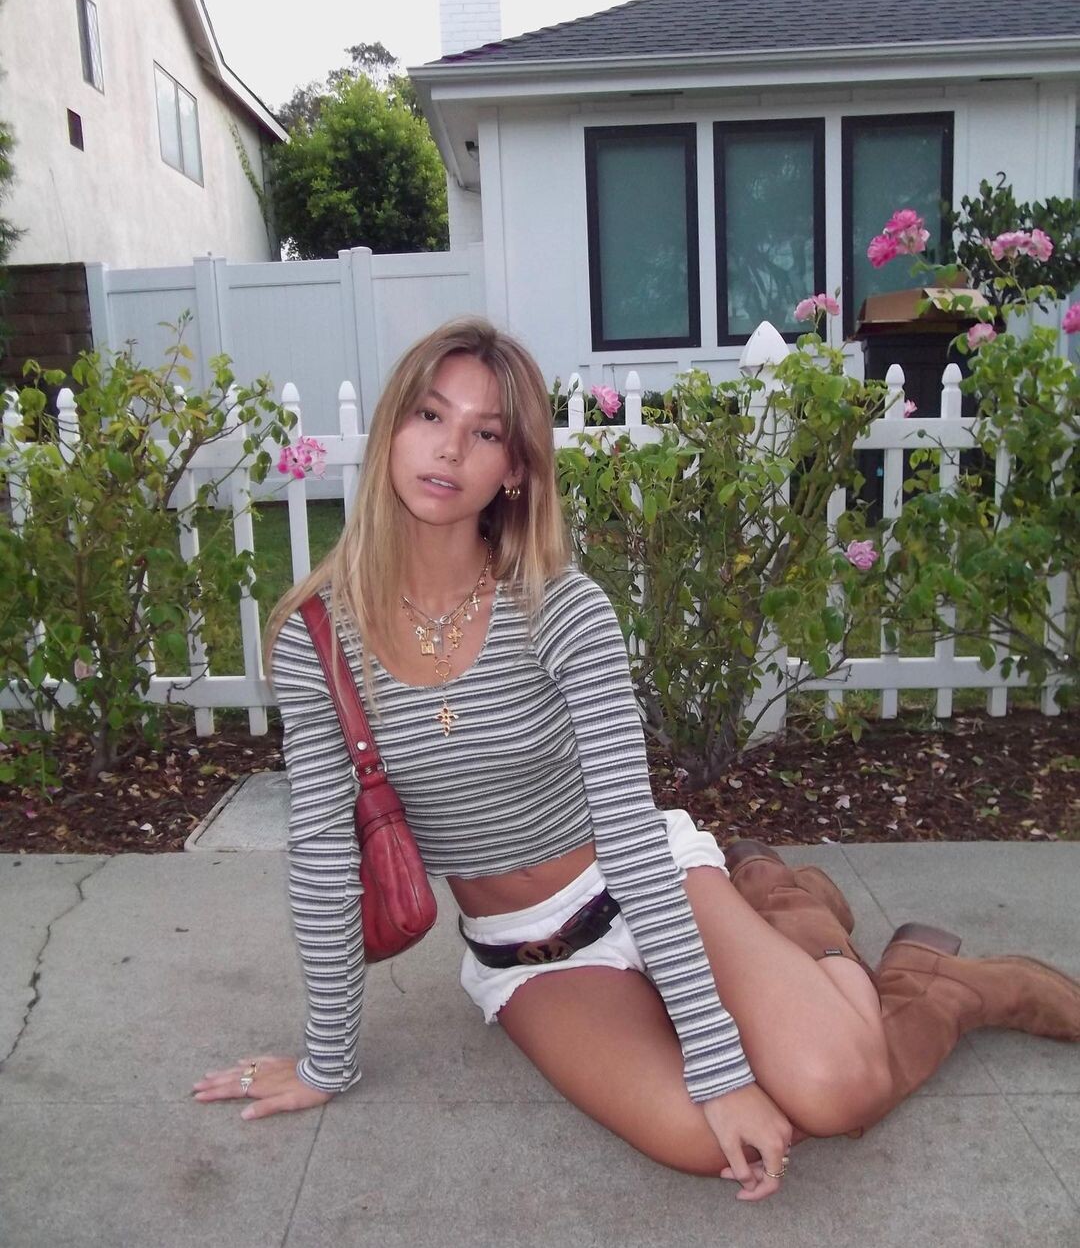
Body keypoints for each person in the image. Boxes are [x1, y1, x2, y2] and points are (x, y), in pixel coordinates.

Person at [193, 317, 1080, 1199]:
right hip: (532, 953)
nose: (450, 449)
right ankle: (784, 919)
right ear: (393, 427)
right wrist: (327, 1061)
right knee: (713, 1144)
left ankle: (918, 978)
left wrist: (720, 1065)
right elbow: (322, 852)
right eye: (430, 415)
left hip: (643, 880)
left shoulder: (561, 610)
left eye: (486, 432)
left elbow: (625, 833)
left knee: (838, 1090)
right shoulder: (319, 638)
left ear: (515, 469)